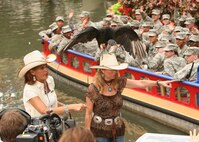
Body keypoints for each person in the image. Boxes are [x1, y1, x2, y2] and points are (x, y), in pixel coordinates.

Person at [85, 53, 173, 142]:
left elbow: (140, 83)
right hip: (99, 132)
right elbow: (88, 113)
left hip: (118, 129)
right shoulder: (93, 88)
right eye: (111, 70)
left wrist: (158, 83)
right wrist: (88, 134)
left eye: (115, 70)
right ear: (102, 71)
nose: (115, 72)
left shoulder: (119, 82)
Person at [18, 50, 86, 117]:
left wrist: (72, 106)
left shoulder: (49, 80)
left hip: (54, 121)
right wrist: (71, 107)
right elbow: (44, 111)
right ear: (32, 72)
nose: (46, 70)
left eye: (45, 66)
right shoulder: (29, 89)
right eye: (42, 68)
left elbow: (53, 103)